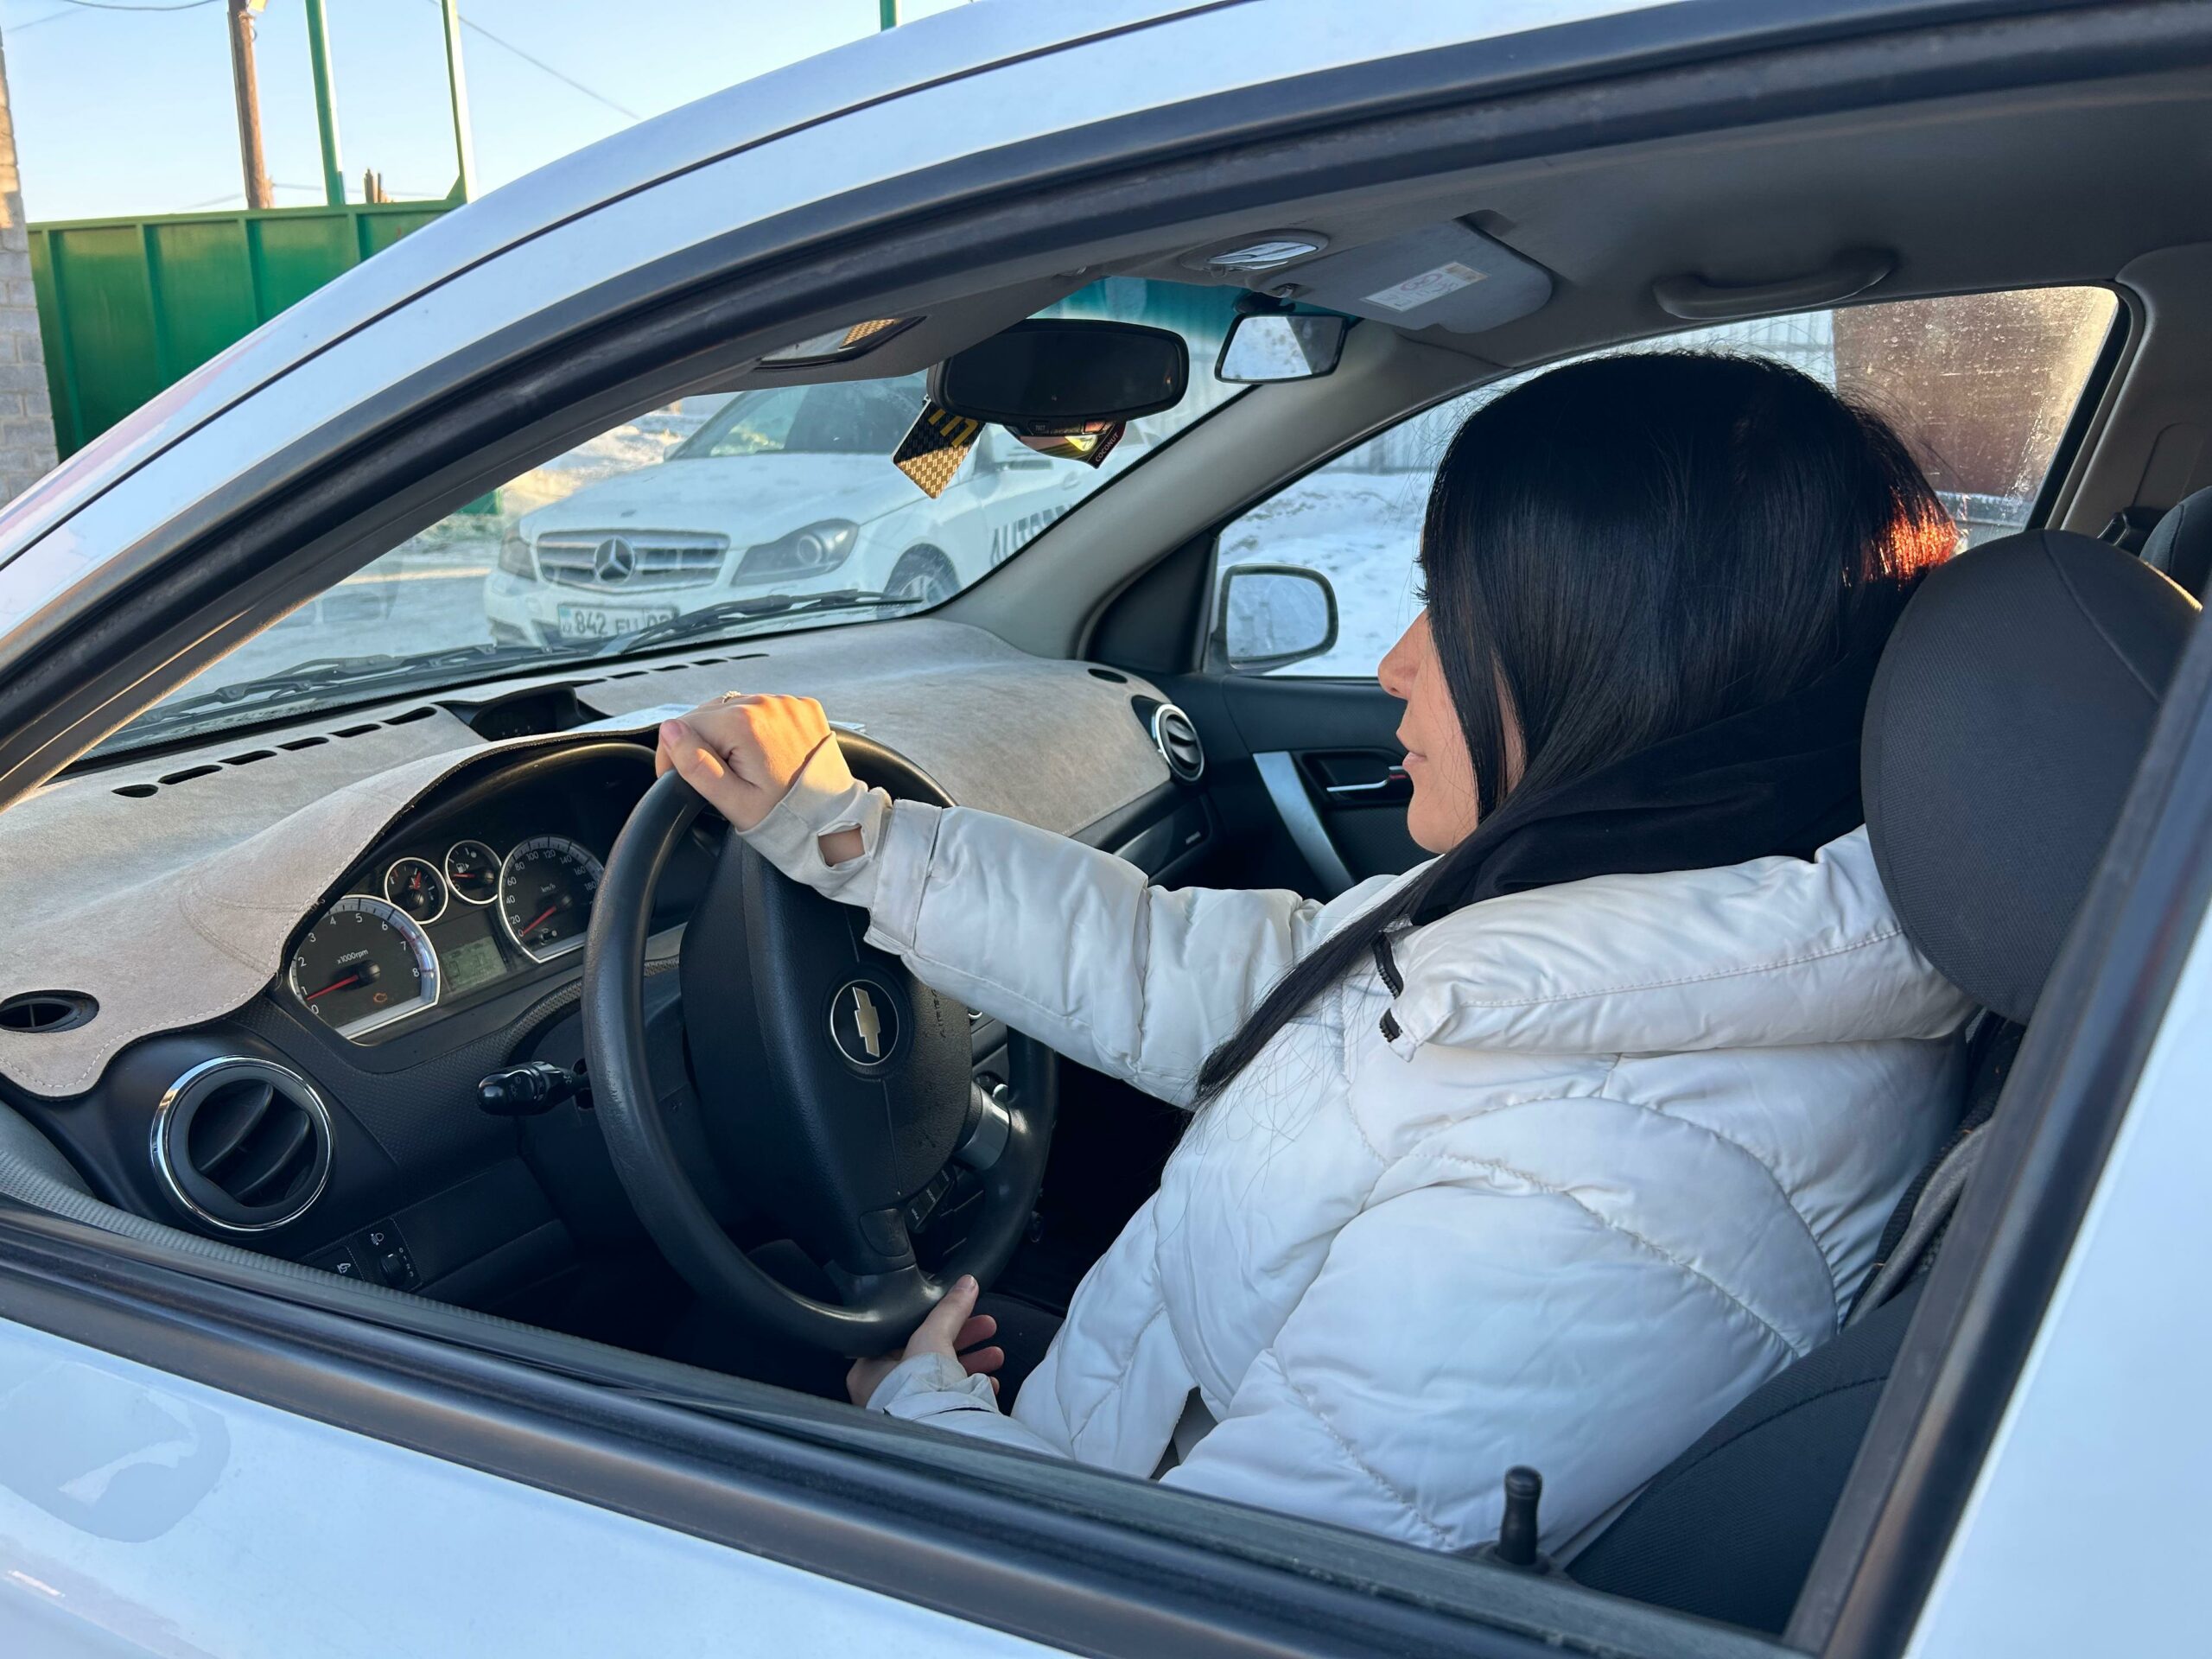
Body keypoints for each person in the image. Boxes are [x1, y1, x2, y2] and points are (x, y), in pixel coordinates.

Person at [654, 352, 1972, 1556]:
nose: (1396, 667)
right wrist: (853, 840)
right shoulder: (1636, 936)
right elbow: (1212, 974)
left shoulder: (1610, 1196)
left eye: (1449, 613)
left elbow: (1188, 1599)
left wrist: (918, 1421)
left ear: (1629, 663)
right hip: (1113, 1440)